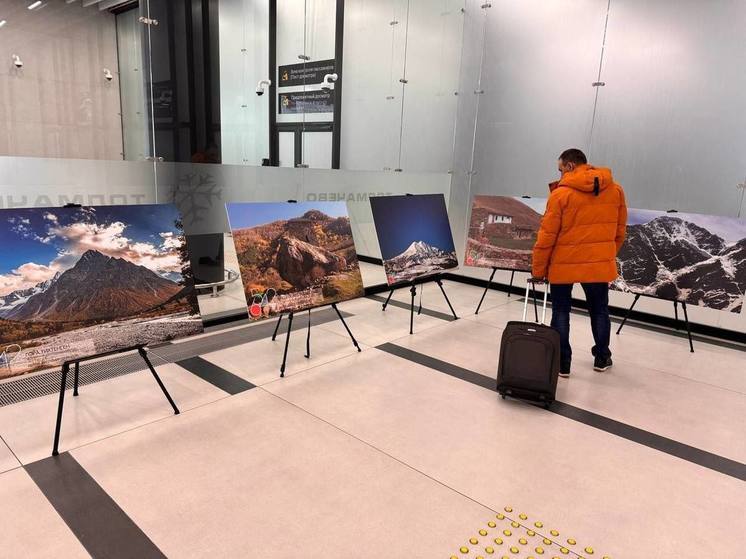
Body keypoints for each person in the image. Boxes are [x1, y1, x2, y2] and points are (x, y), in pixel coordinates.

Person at [532, 148, 628, 377]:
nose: (560, 174)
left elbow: (547, 236)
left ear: (570, 166)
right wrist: (603, 254)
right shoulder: (615, 190)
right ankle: (602, 357)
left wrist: (538, 269)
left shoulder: (560, 195)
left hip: (563, 263)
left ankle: (563, 363)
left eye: (560, 169)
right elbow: (620, 231)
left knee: (561, 311)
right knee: (599, 311)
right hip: (597, 265)